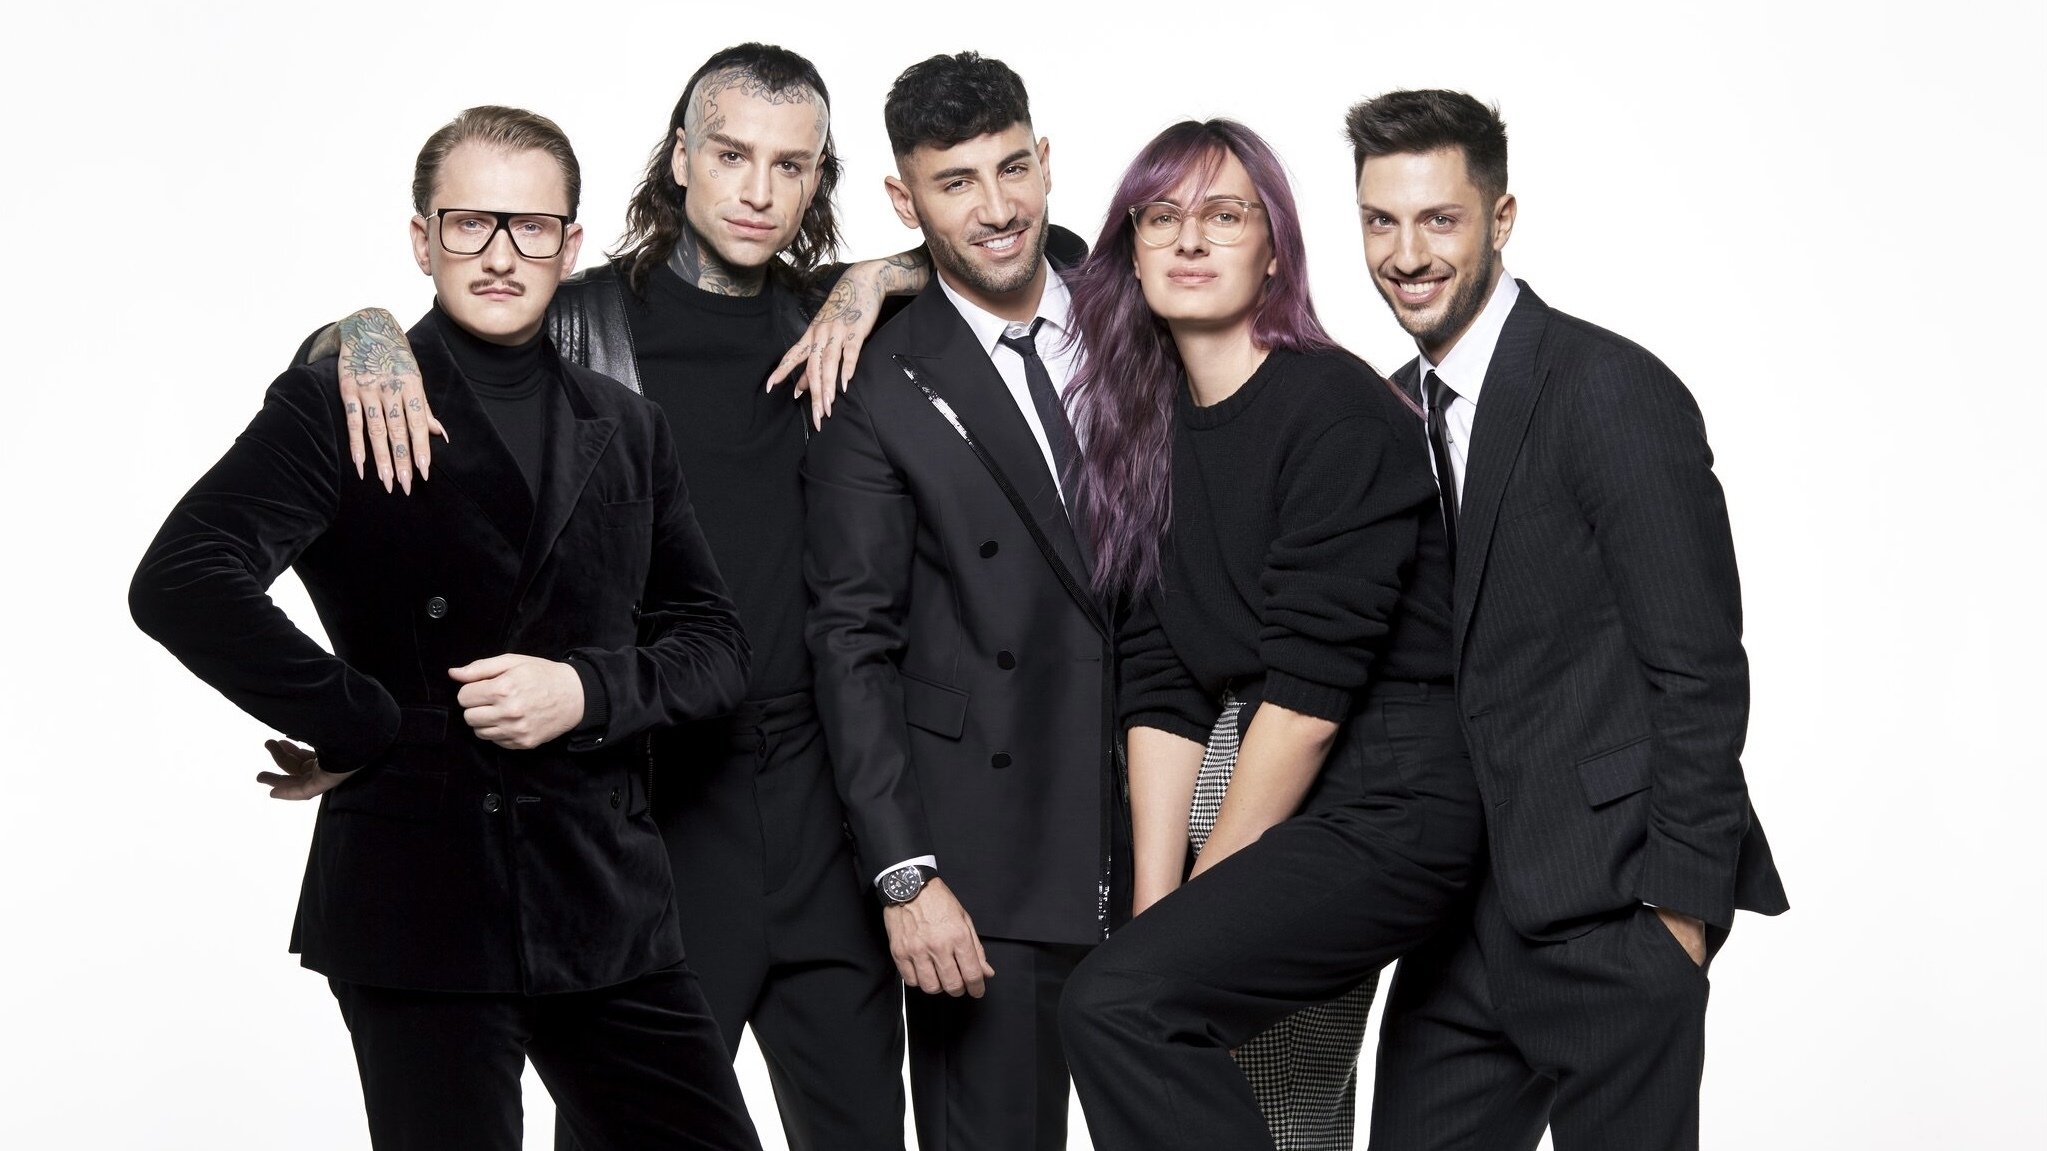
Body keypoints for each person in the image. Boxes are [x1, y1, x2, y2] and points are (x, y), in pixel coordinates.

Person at [304, 45, 925, 1151]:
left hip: (820, 797)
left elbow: (1051, 254)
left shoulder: (833, 318)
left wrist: (881, 276)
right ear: (679, 158)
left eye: (791, 165)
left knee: (864, 1126)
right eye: (730, 155)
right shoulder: (576, 316)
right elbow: (386, 371)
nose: (758, 190)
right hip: (644, 789)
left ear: (819, 179)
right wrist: (360, 324)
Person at [129, 105, 761, 1151]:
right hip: (419, 893)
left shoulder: (627, 425)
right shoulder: (340, 398)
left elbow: (715, 645)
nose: (501, 255)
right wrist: (361, 720)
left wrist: (586, 689)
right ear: (423, 239)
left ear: (569, 242)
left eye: (532, 226)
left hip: (603, 897)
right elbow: (183, 578)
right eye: (471, 224)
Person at [1345, 89, 1788, 1151]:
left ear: (1500, 219)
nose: (1406, 254)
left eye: (1439, 219)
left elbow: (1697, 668)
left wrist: (1677, 920)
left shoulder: (1606, 388)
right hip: (1454, 929)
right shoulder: (1384, 412)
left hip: (1613, 911)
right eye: (1379, 221)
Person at [1055, 120, 1485, 1151]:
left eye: (1223, 214)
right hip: (1272, 791)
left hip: (1391, 803)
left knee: (1122, 1005)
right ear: (1131, 249)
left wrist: (1190, 919)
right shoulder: (1142, 430)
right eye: (1161, 216)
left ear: (1276, 250)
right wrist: (1155, 912)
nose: (1188, 239)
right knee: (1171, 1022)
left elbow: (1305, 705)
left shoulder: (1337, 408)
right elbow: (1160, 682)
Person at [802, 51, 1117, 1151]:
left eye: (1012, 168)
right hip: (983, 857)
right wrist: (906, 876)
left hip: (1166, 823)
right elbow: (850, 639)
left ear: (1046, 159)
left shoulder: (1136, 307)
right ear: (904, 199)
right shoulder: (875, 377)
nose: (996, 208)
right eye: (955, 182)